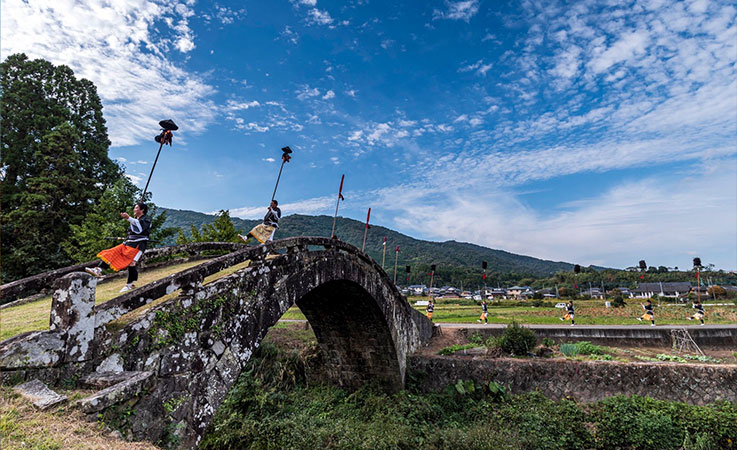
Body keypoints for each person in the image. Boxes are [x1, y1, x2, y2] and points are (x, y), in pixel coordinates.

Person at [85, 202, 151, 293]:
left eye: (136, 208)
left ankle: (129, 285)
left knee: (132, 263)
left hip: (138, 245)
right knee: (112, 252)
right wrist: (131, 220)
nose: (134, 210)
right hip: (128, 243)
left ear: (142, 210)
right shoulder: (136, 219)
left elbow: (139, 228)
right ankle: (98, 270)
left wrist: (128, 218)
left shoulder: (146, 219)